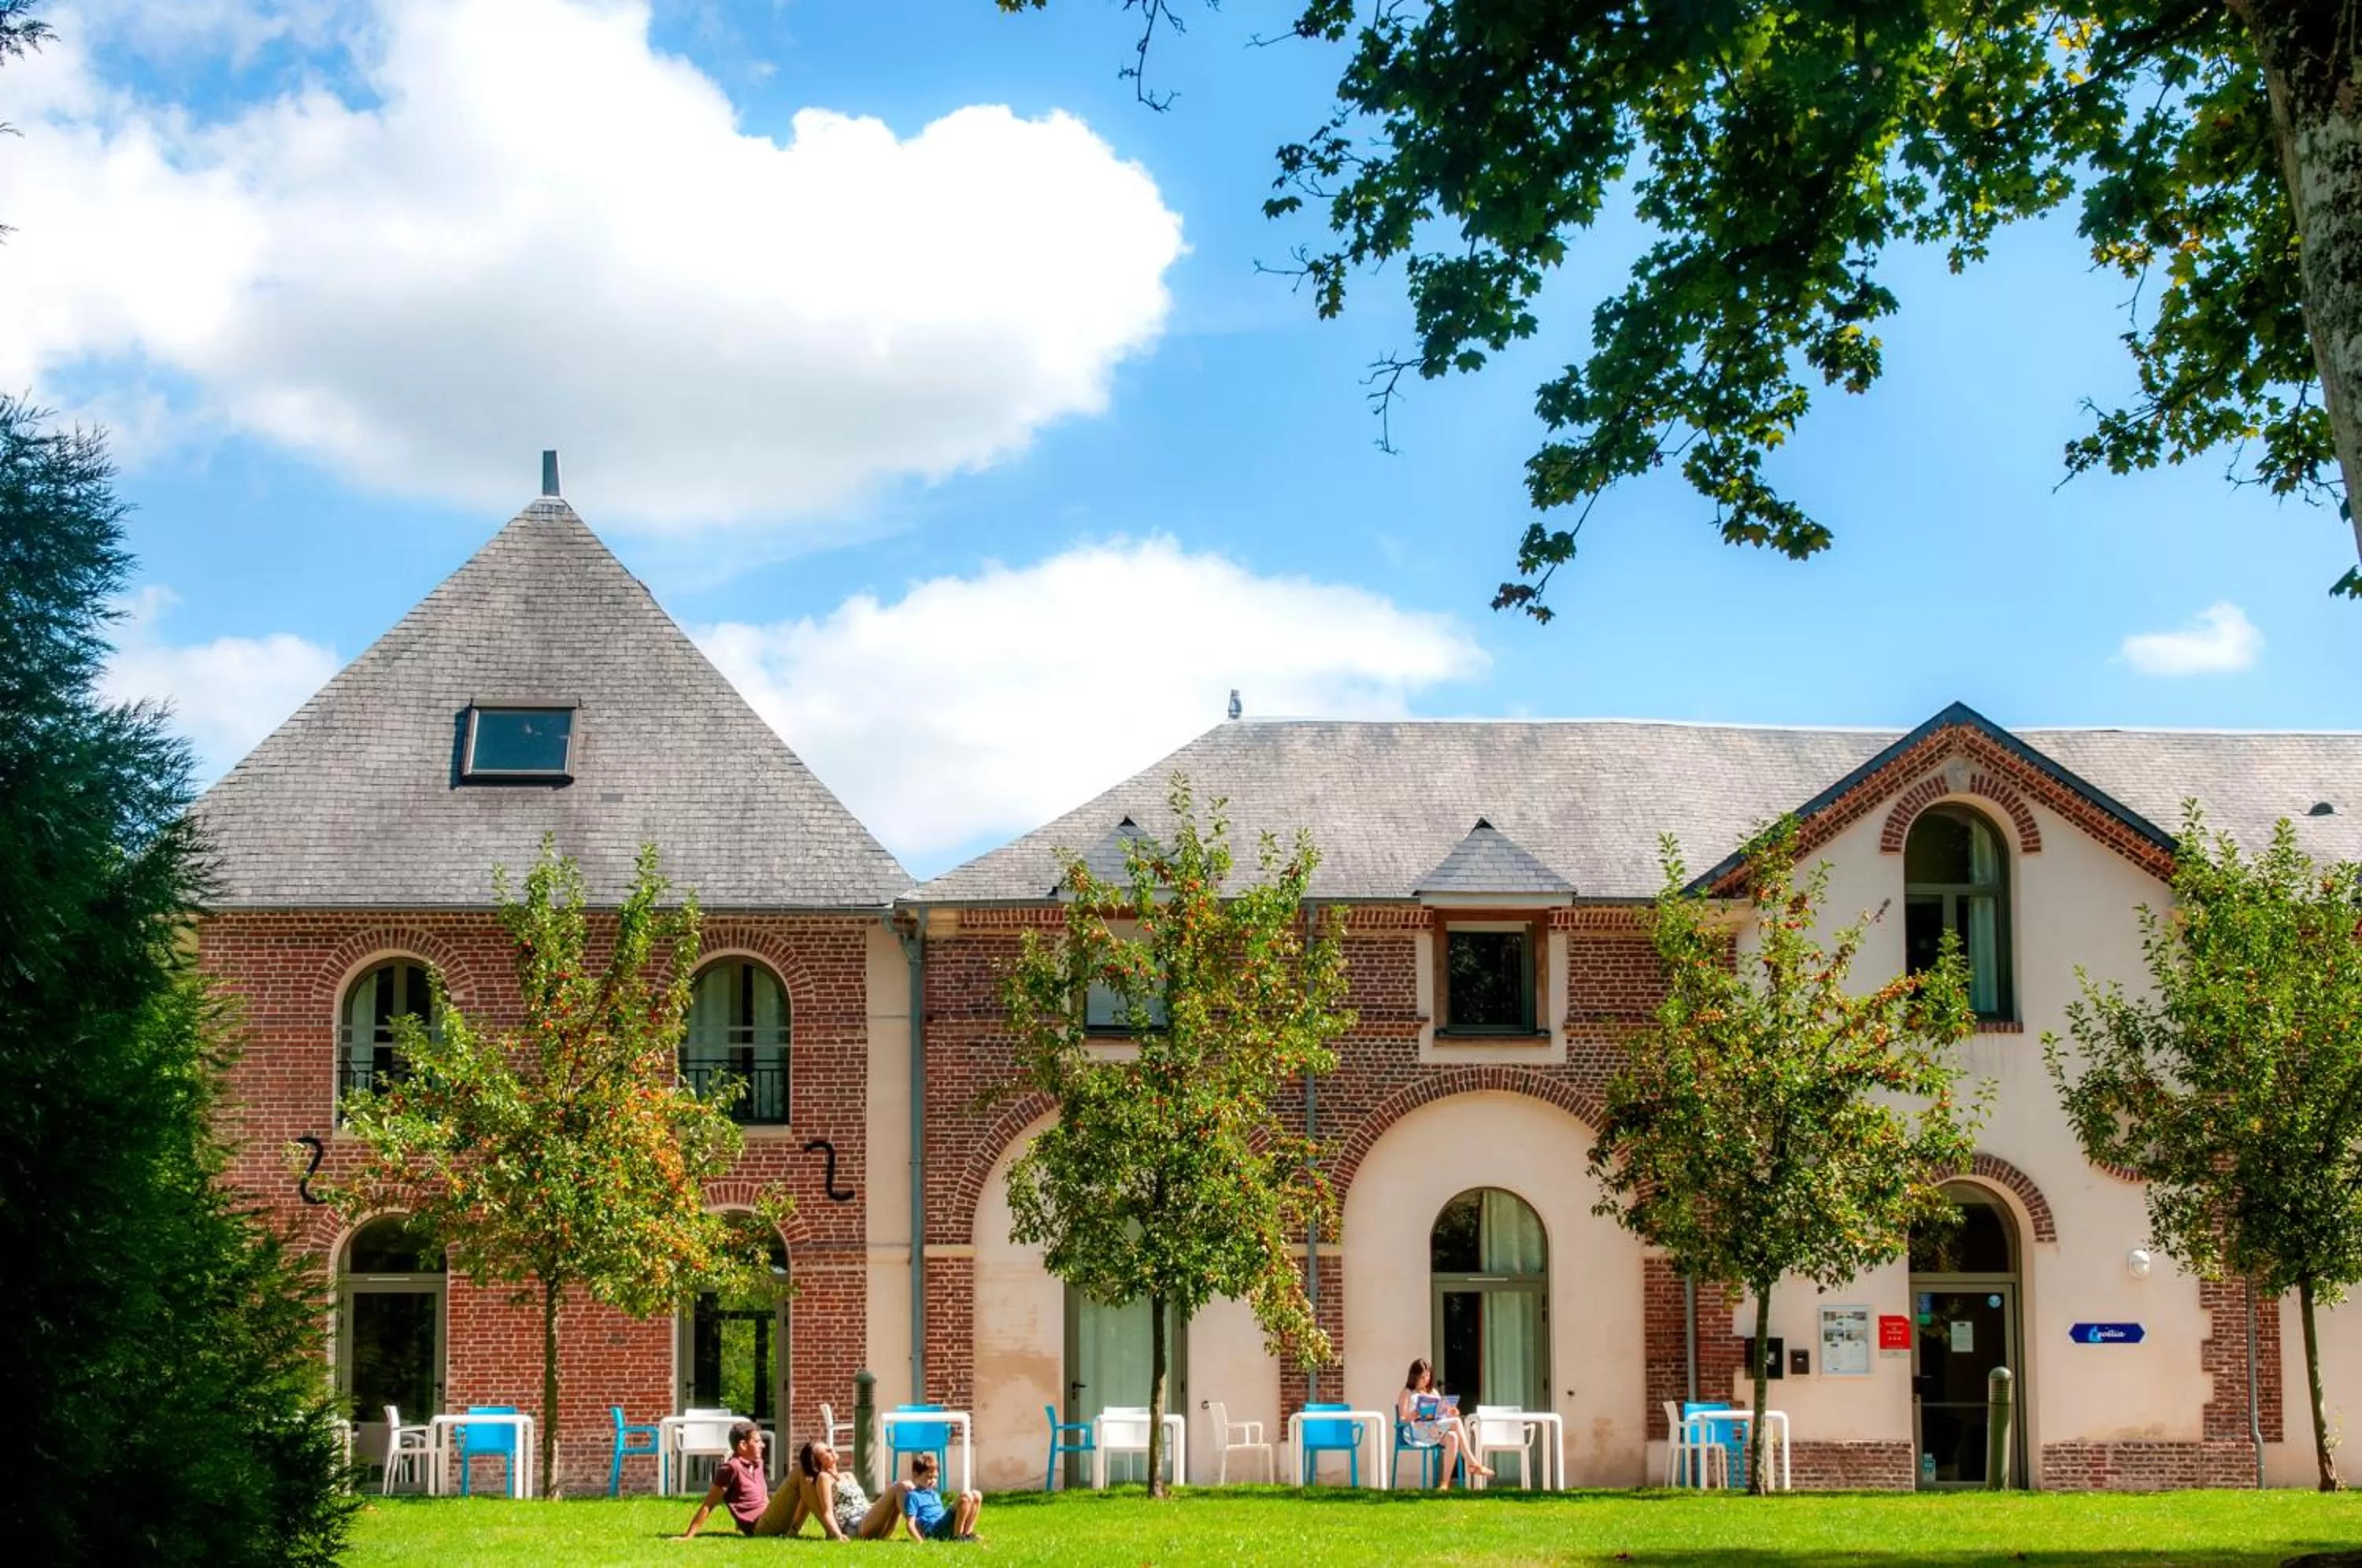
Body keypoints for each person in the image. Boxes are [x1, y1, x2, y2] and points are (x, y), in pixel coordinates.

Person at [678, 1422, 796, 1538]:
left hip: (768, 1516)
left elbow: (759, 1496)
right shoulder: (731, 1468)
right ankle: (796, 1528)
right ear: (743, 1445)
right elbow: (709, 1503)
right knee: (801, 1472)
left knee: (805, 1474)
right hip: (759, 1526)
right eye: (757, 1442)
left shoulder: (758, 1464)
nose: (763, 1445)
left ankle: (794, 1528)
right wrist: (689, 1535)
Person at [1397, 1358, 1493, 1488]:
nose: (1426, 1379)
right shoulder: (1407, 1392)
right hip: (1417, 1432)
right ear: (1414, 1376)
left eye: (1428, 1375)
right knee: (1456, 1422)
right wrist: (1414, 1414)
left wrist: (1451, 1412)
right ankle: (1472, 1462)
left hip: (1434, 1429)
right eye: (1422, 1376)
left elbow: (1441, 1413)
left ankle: (1444, 1483)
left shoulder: (1433, 1392)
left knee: (1453, 1437)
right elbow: (1402, 1418)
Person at [797, 1440, 902, 1540]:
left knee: (903, 1488)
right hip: (854, 1525)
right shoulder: (824, 1478)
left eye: (829, 1447)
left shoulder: (848, 1475)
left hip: (867, 1518)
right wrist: (838, 1535)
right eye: (825, 1451)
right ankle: (917, 1533)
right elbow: (827, 1512)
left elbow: (863, 1502)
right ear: (818, 1462)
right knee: (899, 1487)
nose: (831, 1449)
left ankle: (917, 1530)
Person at [898, 1451, 982, 1543]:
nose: (933, 1481)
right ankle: (957, 1537)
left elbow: (941, 1515)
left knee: (977, 1495)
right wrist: (920, 1541)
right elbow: (910, 1524)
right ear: (916, 1475)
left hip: (941, 1524)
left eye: (935, 1477)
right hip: (932, 1530)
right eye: (929, 1477)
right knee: (965, 1497)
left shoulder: (934, 1494)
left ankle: (967, 1534)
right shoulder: (913, 1496)